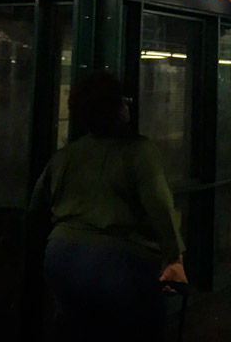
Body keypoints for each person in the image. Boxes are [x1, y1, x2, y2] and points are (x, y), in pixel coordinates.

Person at [27, 71, 186, 340]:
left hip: (62, 256)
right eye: (124, 100)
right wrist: (174, 258)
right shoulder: (139, 151)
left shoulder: (66, 155)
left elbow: (36, 209)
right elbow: (159, 205)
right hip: (119, 261)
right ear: (117, 109)